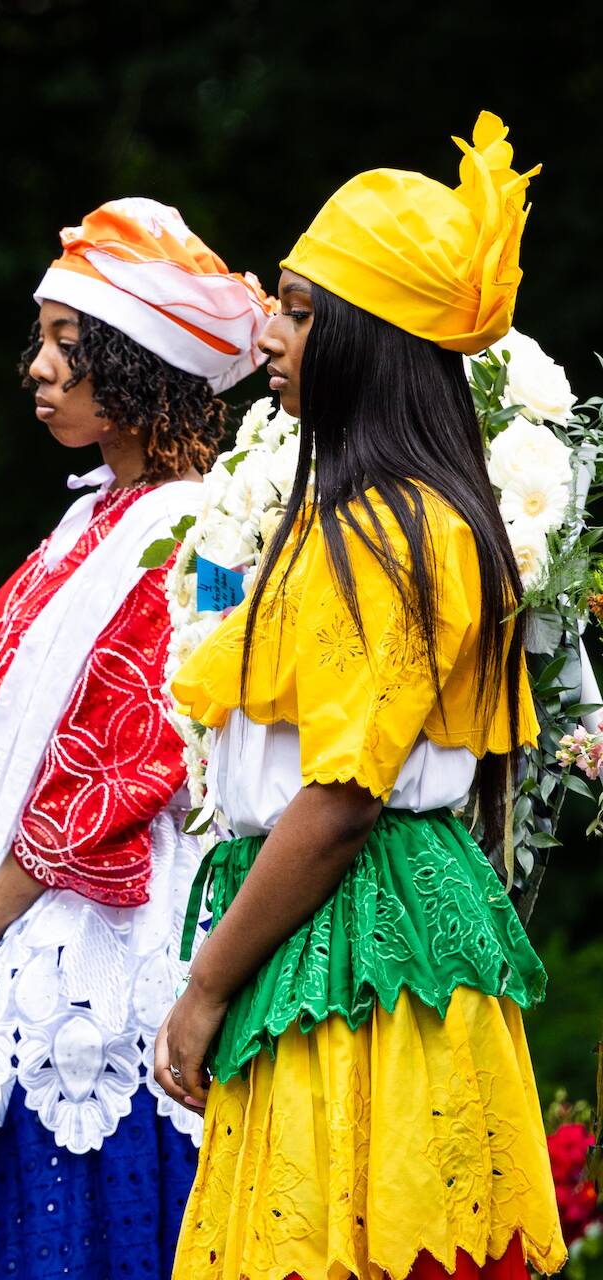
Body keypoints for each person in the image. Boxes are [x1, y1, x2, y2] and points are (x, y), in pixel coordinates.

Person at [156, 113, 566, 1279]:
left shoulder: (381, 529)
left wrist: (203, 988)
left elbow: (339, 802)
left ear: (366, 339)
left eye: (297, 310)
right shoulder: (405, 512)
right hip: (383, 911)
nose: (270, 333)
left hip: (350, 925)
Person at [0, 198, 269, 1279]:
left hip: (103, 958)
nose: (39, 367)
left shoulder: (206, 531)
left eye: (69, 343)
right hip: (7, 940)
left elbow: (117, 770)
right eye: (43, 339)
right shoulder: (84, 521)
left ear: (141, 361)